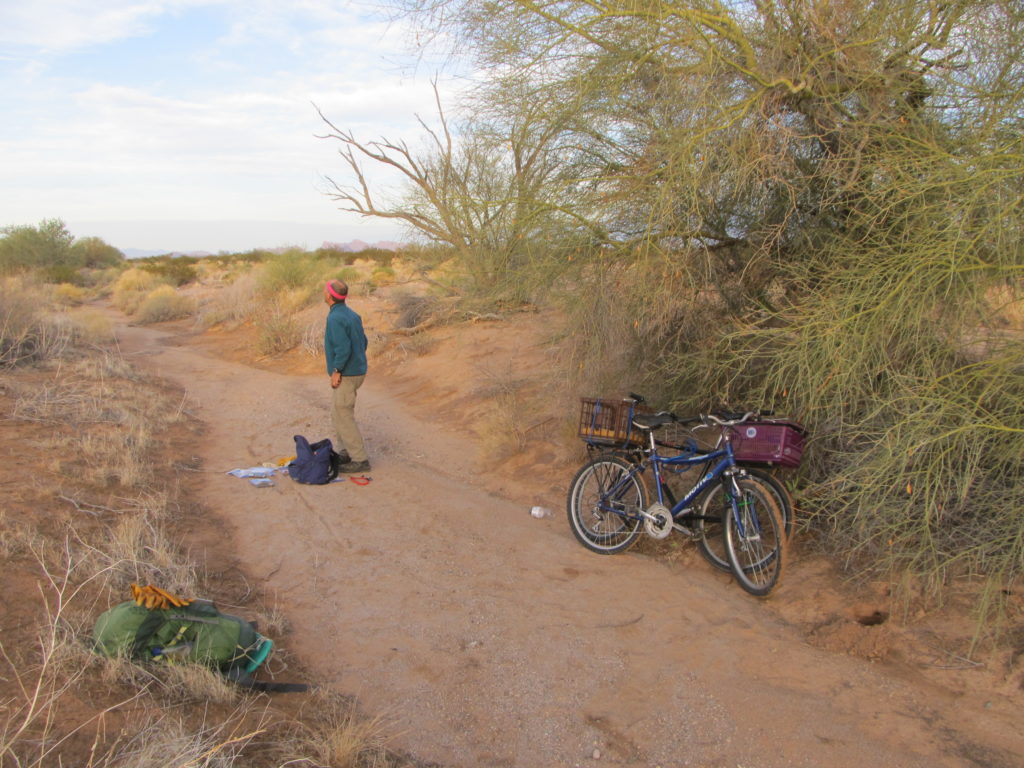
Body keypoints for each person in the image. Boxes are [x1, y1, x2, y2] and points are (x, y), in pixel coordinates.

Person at [323, 279, 370, 473]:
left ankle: (359, 459)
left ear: (328, 295)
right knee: (338, 412)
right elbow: (363, 342)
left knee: (343, 414)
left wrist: (337, 370)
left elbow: (343, 348)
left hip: (347, 374)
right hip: (357, 370)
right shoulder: (352, 315)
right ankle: (345, 452)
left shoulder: (335, 318)